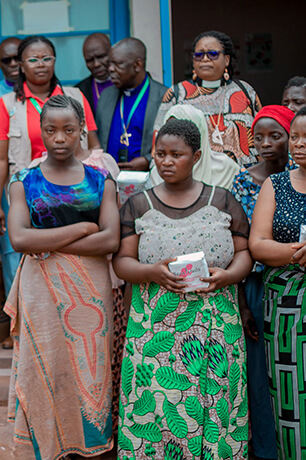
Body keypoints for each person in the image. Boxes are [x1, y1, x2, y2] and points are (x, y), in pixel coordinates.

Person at [114, 118, 252, 458]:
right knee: (159, 408)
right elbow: (121, 263)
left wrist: (230, 276)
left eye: (177, 154)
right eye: (160, 154)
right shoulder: (138, 205)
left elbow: (246, 251)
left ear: (197, 155)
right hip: (156, 331)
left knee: (217, 402)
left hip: (216, 326)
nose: (166, 161)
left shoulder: (222, 200)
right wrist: (152, 272)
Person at [4, 95, 119, 458]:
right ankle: (48, 446)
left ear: (82, 131)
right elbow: (20, 238)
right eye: (51, 129)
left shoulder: (102, 181)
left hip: (92, 290)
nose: (59, 137)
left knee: (92, 368)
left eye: (69, 129)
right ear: (40, 131)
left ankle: (90, 446)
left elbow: (111, 239)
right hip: (41, 289)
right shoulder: (23, 180)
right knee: (46, 364)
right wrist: (84, 227)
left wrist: (50, 242)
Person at [0, 35, 99, 311]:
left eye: (46, 58)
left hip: (74, 191)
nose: (41, 65)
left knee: (75, 252)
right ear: (21, 65)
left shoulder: (74, 97)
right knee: (23, 257)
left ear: (55, 61)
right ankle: (27, 323)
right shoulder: (6, 105)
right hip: (27, 195)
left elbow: (94, 147)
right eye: (33, 59)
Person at [231, 105, 294, 460]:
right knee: (261, 373)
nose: (266, 144)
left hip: (294, 282)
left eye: (276, 136)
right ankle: (267, 449)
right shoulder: (244, 180)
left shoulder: (299, 178)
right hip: (257, 287)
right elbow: (240, 244)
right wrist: (242, 305)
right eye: (259, 138)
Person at [249, 107, 306, 460]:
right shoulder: (276, 185)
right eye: (296, 137)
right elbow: (258, 244)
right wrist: (297, 253)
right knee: (290, 397)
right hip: (285, 307)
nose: (299, 145)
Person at [154, 30, 261, 167]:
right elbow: (160, 136)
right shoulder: (177, 93)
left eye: (213, 54)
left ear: (227, 59)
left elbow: (262, 134)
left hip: (244, 178)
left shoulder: (244, 91)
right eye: (199, 55)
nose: (205, 59)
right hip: (196, 179)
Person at [96, 37, 168, 171]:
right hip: (111, 178)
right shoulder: (106, 96)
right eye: (110, 63)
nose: (110, 69)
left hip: (148, 178)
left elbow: (172, 143)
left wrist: (148, 160)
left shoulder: (164, 97)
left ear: (137, 65)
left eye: (118, 64)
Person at [150, 105, 239, 188]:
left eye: (182, 132)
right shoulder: (157, 174)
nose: (167, 162)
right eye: (170, 130)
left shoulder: (227, 170)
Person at [75, 32, 113, 112]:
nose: (96, 64)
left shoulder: (127, 84)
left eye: (101, 56)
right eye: (90, 60)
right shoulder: (79, 91)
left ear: (111, 53)